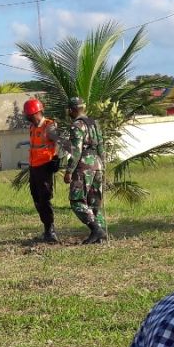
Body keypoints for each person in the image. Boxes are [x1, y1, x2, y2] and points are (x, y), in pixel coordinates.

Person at [62, 97, 107, 244]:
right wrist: (103, 166)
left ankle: (96, 230)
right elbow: (101, 147)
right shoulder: (94, 123)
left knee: (77, 200)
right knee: (95, 202)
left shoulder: (77, 126)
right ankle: (100, 235)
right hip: (97, 165)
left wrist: (69, 171)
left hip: (84, 167)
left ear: (72, 110)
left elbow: (76, 151)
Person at [23, 98, 62, 243]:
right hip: (34, 167)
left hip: (45, 166)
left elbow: (58, 141)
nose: (27, 117)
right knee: (36, 197)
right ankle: (46, 228)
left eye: (28, 114)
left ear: (35, 113)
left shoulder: (49, 126)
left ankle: (50, 231)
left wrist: (56, 158)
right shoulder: (33, 127)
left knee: (44, 198)